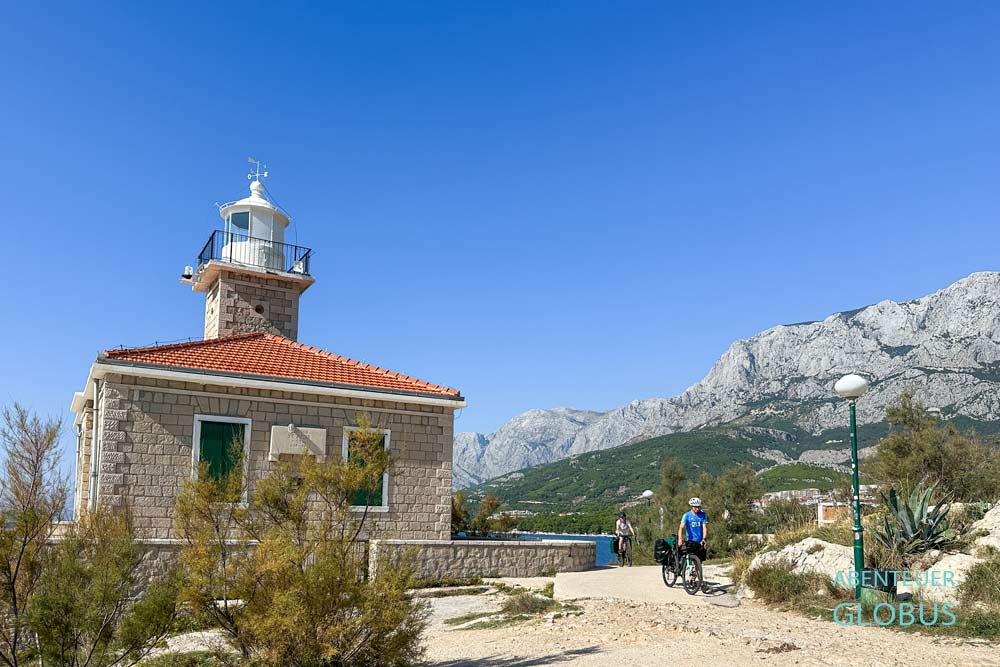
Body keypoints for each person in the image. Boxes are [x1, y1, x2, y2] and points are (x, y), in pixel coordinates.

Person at [678, 497, 708, 564]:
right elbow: (681, 527)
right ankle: (685, 566)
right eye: (695, 507)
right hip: (690, 540)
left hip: (700, 540)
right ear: (691, 506)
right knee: (688, 557)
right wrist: (680, 539)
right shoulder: (686, 515)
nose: (697, 509)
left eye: (698, 507)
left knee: (699, 561)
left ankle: (698, 570)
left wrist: (704, 539)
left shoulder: (703, 515)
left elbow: (704, 527)